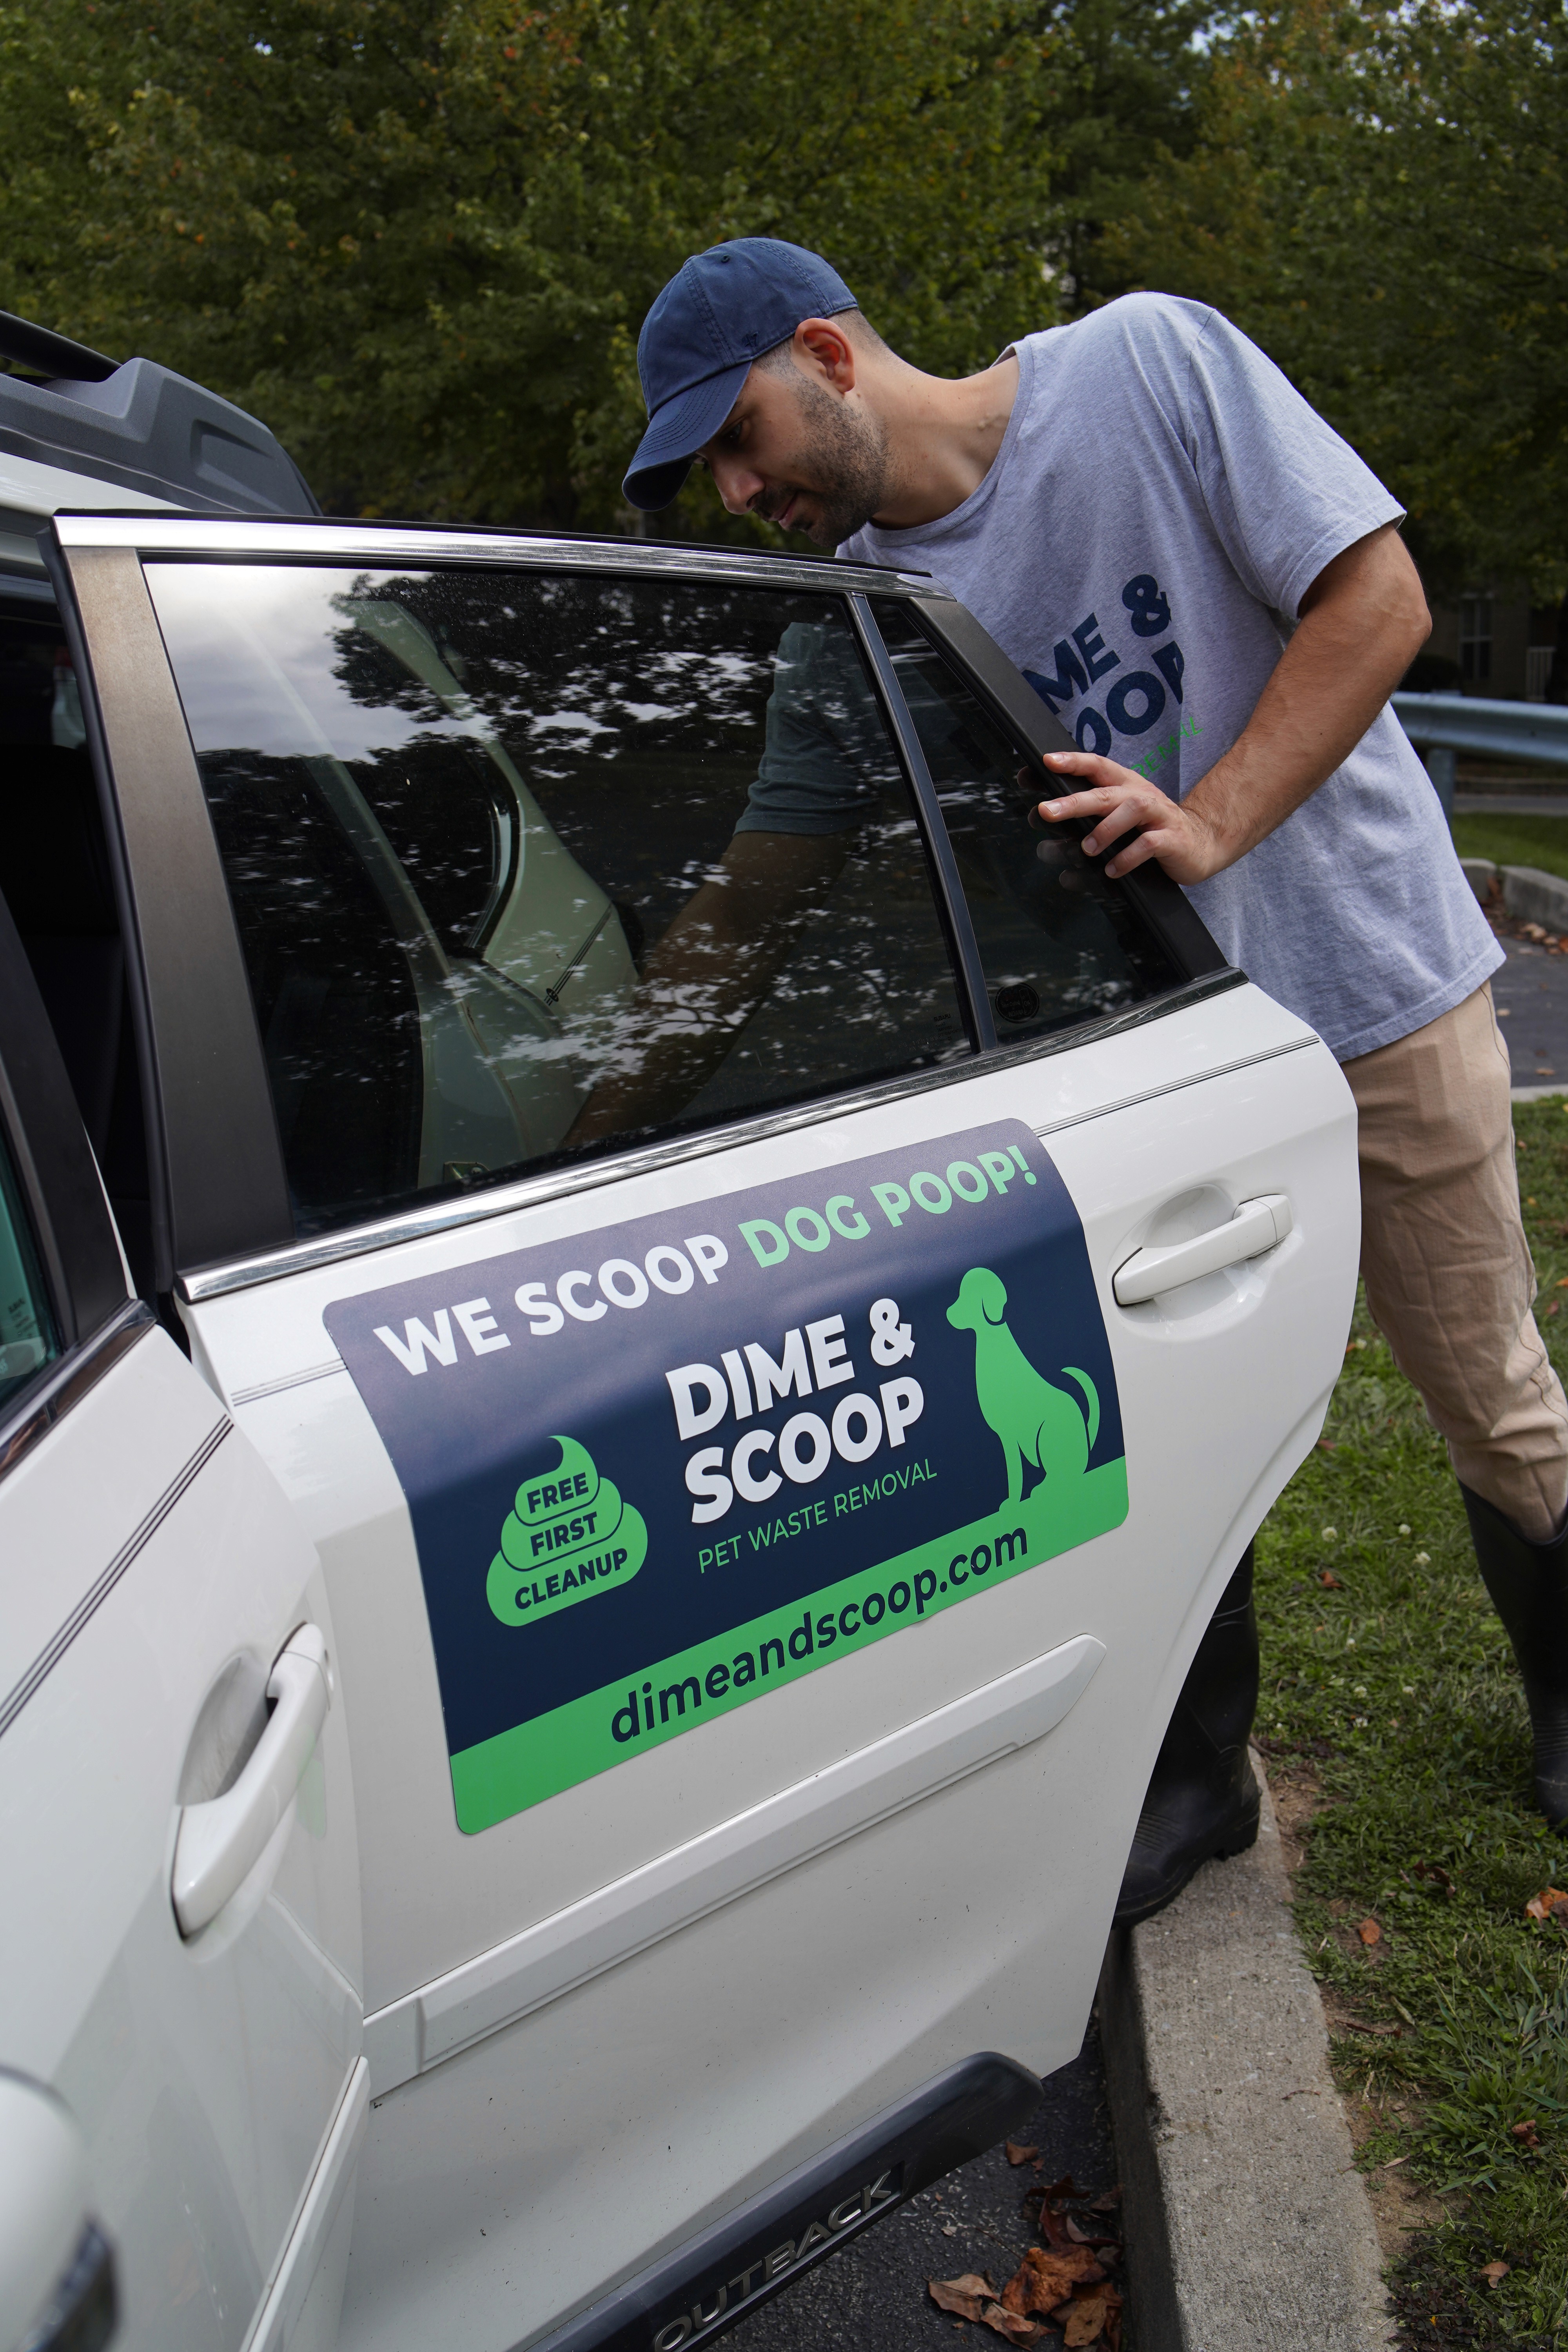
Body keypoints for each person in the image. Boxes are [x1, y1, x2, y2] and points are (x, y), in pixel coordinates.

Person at [621, 237, 1568, 1917]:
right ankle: (1198, 1779)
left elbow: (1382, 600)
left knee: (1490, 1396)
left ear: (829, 353)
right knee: (1154, 1436)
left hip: (1368, 984)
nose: (735, 483)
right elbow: (747, 907)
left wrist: (1207, 817)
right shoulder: (854, 627)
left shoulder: (1148, 366)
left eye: (737, 431)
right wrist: (586, 1100)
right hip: (1141, 1085)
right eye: (709, 461)